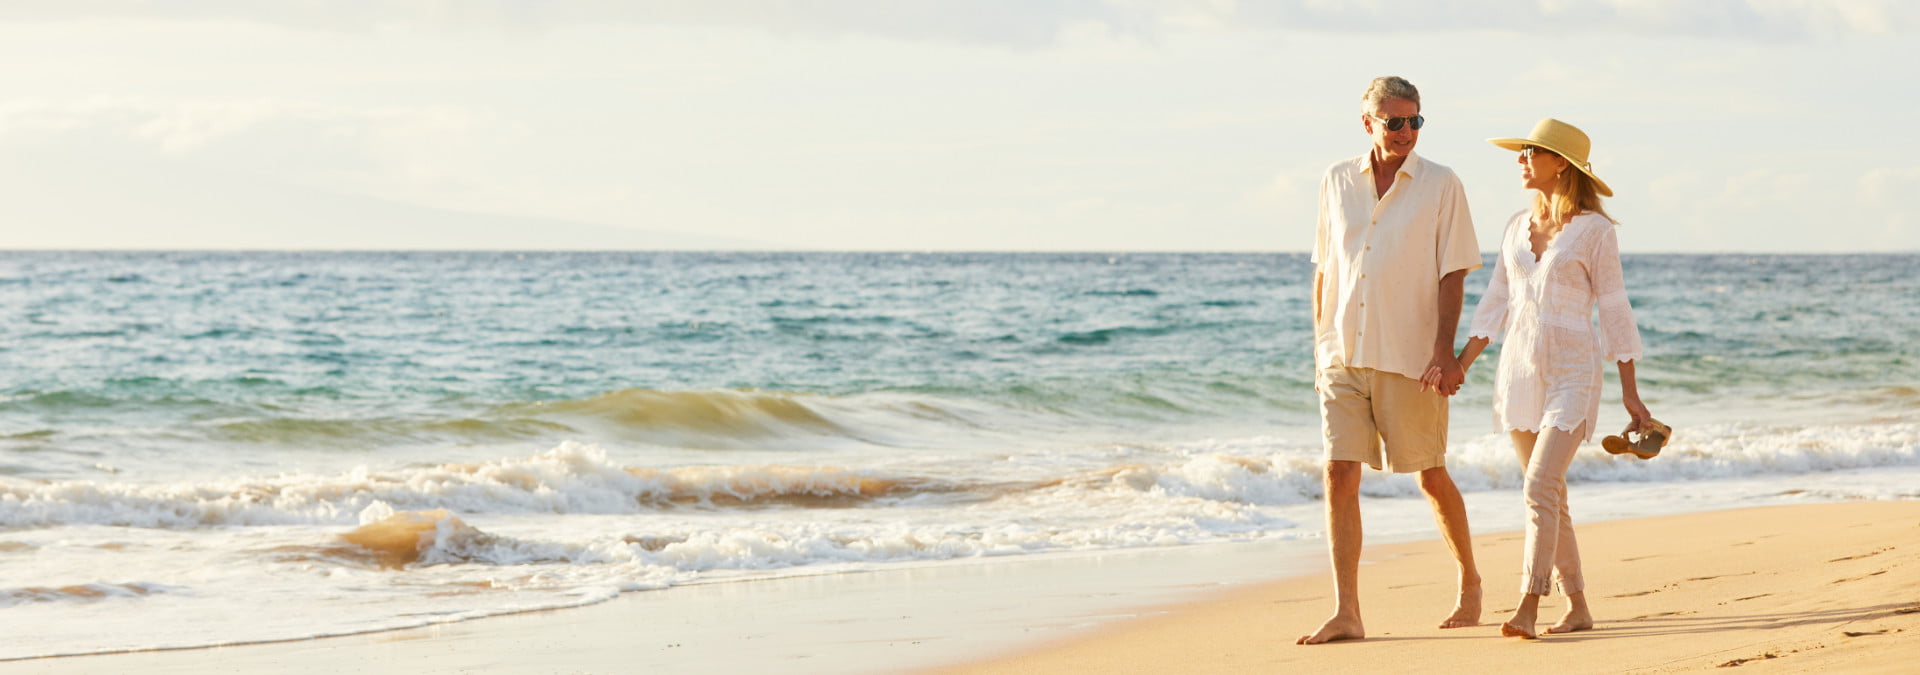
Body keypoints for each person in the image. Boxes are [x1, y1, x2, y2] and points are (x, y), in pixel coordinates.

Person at [1297, 76, 1484, 646]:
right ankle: (1347, 612)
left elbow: (1454, 271)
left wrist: (1444, 351)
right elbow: (1324, 268)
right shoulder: (1335, 181)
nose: (1406, 132)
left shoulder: (1441, 184)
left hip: (1411, 358)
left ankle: (1471, 581)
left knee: (1429, 475)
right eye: (1395, 122)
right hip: (1342, 354)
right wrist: (1319, 346)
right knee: (1338, 475)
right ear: (1368, 124)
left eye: (1415, 121)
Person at [1453, 118, 1652, 639]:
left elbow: (1613, 308)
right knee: (1550, 494)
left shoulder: (1595, 231)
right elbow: (1496, 298)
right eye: (1520, 153)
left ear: (1560, 162)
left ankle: (1528, 602)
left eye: (1530, 153)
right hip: (1518, 371)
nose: (1521, 161)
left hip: (1572, 372)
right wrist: (1461, 363)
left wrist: (1631, 393)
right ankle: (1579, 605)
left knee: (1540, 485)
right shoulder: (1515, 225)